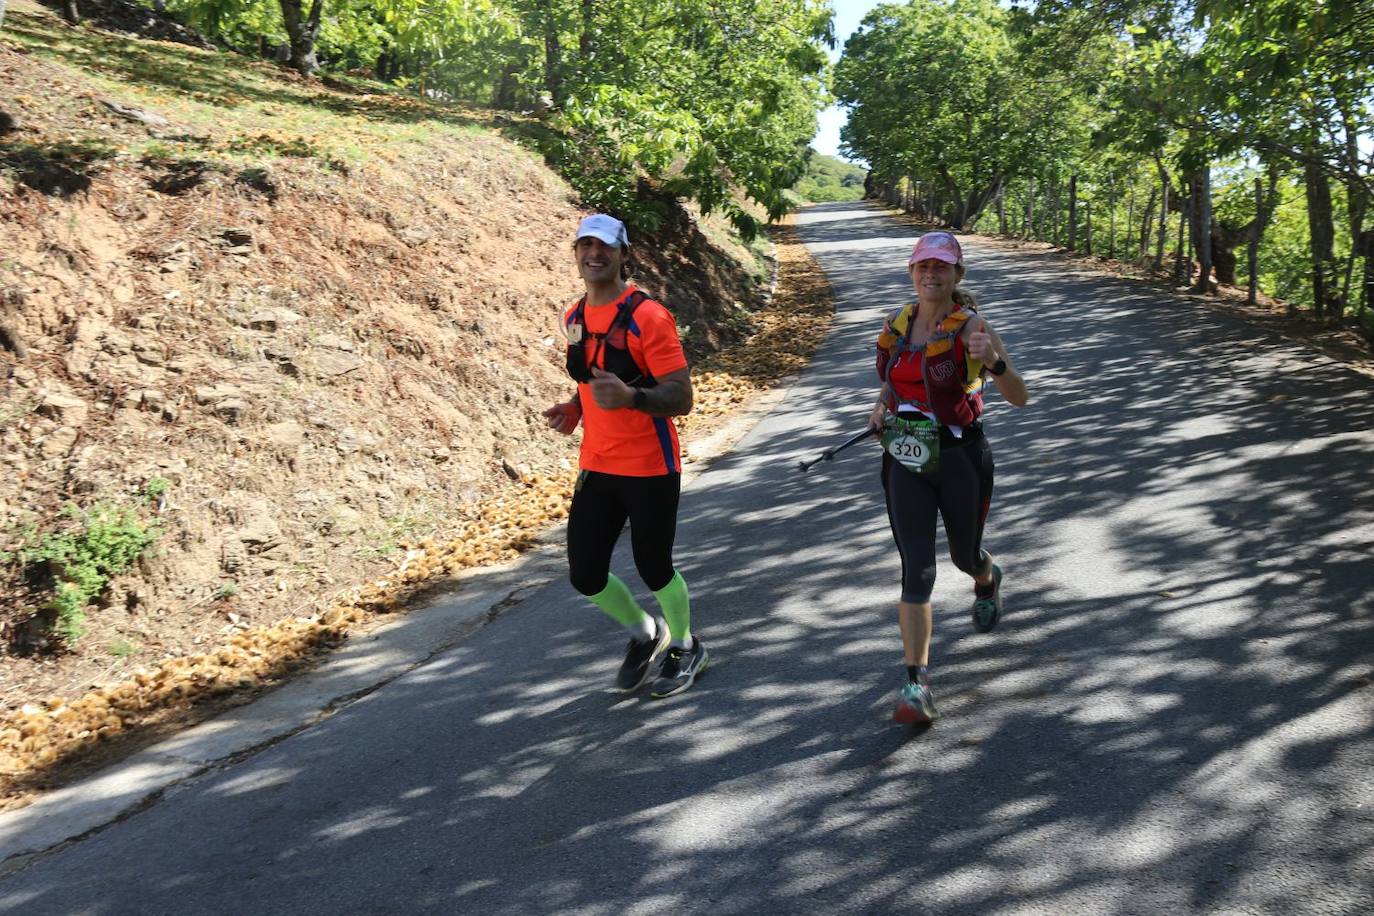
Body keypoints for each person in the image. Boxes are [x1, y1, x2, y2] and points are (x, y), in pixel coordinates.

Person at [542, 214, 709, 698]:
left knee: (654, 564)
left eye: (606, 247)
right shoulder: (575, 316)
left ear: (623, 254)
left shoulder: (648, 317)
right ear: (575, 253)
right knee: (585, 572)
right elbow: (591, 376)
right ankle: (644, 632)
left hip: (650, 464)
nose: (595, 254)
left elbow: (681, 397)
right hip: (597, 462)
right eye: (586, 246)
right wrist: (577, 406)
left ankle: (686, 644)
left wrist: (632, 399)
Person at [867, 230, 1029, 724]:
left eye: (941, 267)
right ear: (912, 273)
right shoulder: (898, 324)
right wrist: (879, 409)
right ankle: (916, 683)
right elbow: (895, 385)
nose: (931, 274)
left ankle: (986, 576)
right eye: (923, 267)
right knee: (917, 567)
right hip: (907, 458)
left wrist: (996, 362)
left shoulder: (972, 328)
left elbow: (1018, 395)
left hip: (961, 456)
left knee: (964, 555)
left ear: (957, 274)